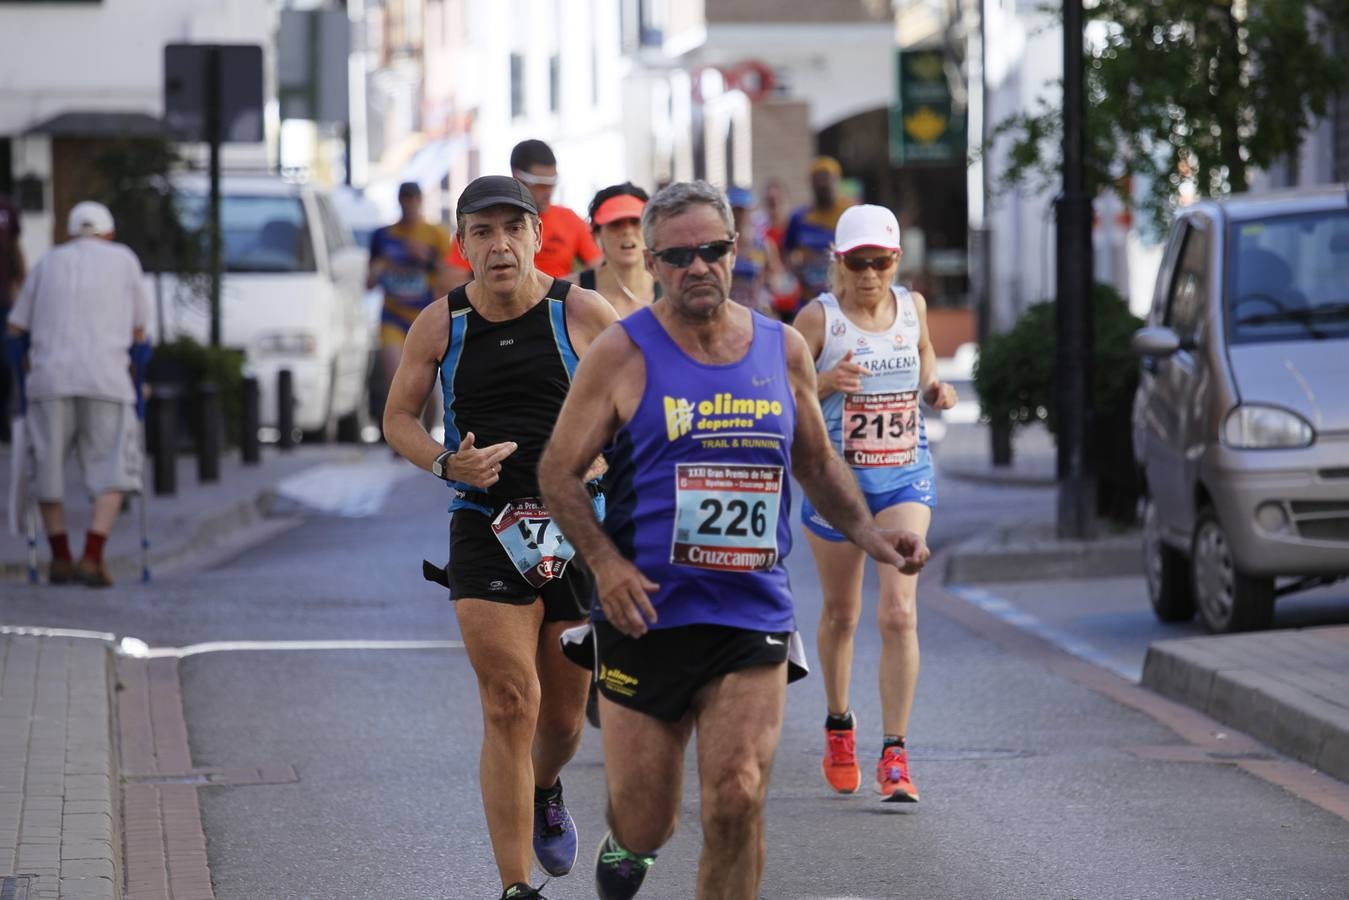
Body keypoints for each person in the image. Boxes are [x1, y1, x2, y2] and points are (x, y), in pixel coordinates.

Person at [537, 181, 930, 900]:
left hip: (748, 614)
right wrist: (605, 565)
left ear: (732, 251)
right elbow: (557, 472)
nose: (697, 267)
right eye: (678, 255)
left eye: (711, 250)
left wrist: (870, 534)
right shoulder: (621, 355)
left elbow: (814, 460)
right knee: (648, 818)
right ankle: (631, 840)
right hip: (644, 616)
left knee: (737, 796)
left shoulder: (780, 350)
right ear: (653, 262)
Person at [383, 175, 617, 900]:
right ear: (461, 245)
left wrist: (610, 455)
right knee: (510, 700)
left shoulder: (581, 312)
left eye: (511, 228)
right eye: (481, 232)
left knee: (564, 718)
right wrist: (446, 461)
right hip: (484, 523)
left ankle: (546, 785)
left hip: (576, 524)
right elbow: (398, 419)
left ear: (537, 237)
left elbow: (639, 401)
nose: (498, 244)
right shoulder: (439, 324)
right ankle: (515, 886)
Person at [791, 203, 958, 803]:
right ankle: (839, 725)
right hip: (838, 482)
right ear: (839, 263)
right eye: (857, 263)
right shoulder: (819, 319)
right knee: (843, 614)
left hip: (903, 475)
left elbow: (926, 356)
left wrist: (935, 387)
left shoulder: (910, 308)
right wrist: (825, 383)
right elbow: (779, 387)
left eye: (879, 262)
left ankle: (895, 754)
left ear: (895, 262)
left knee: (900, 612)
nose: (869, 275)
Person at [5, 201, 150, 587]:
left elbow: (16, 327)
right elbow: (140, 333)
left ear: (69, 232)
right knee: (112, 467)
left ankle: (60, 557)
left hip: (49, 379)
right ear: (110, 233)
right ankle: (92, 555)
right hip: (107, 379)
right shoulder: (124, 260)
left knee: (47, 469)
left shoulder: (49, 262)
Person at [446, 139, 602, 283]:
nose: (548, 192)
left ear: (537, 233)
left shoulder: (569, 220)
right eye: (540, 184)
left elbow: (602, 270)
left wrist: (561, 293)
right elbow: (451, 281)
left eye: (552, 183)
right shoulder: (483, 219)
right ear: (516, 176)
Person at [367, 181, 453, 417]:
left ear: (420, 201)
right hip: (393, 316)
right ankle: (400, 435)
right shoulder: (383, 236)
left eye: (414, 200)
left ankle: (426, 438)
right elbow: (369, 282)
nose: (409, 206)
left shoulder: (435, 234)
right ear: (400, 202)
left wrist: (425, 257)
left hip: (425, 317)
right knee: (397, 379)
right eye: (405, 200)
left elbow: (449, 275)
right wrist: (377, 270)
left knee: (428, 385)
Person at [577, 183, 659, 318]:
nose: (627, 231)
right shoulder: (570, 295)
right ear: (596, 233)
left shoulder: (672, 290)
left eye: (635, 221)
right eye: (615, 223)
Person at [783, 156, 853, 313]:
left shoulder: (849, 214)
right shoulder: (799, 217)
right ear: (811, 183)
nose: (823, 185)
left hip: (843, 300)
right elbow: (786, 251)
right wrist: (795, 269)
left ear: (837, 180)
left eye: (827, 179)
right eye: (818, 179)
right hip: (808, 299)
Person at [726, 186, 783, 318]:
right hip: (729, 312)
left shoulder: (763, 245)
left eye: (742, 210)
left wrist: (769, 283)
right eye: (735, 210)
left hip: (757, 311)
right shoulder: (721, 245)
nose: (739, 215)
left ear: (750, 210)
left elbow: (777, 277)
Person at [0, 192, 24, 442]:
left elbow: (15, 247)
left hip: (2, 298)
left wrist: (24, 287)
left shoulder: (6, 208)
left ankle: (2, 423)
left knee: (5, 363)